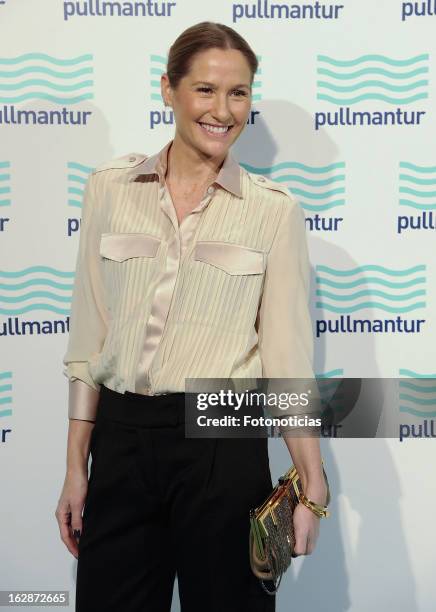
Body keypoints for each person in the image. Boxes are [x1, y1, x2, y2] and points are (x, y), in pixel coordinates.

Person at [55, 20, 329, 612]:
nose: (223, 110)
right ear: (168, 90)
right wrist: (77, 469)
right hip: (122, 441)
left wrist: (312, 483)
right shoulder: (108, 189)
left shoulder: (273, 213)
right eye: (205, 89)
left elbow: (285, 359)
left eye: (239, 93)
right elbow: (89, 337)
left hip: (222, 439)